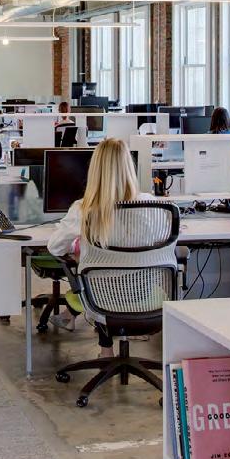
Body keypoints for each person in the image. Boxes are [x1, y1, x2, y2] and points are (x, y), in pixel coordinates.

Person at [46, 138, 155, 357]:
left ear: (95, 169)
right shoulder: (153, 205)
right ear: (129, 166)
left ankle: (106, 353)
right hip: (143, 294)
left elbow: (55, 248)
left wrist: (78, 248)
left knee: (95, 274)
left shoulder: (83, 209)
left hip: (100, 296)